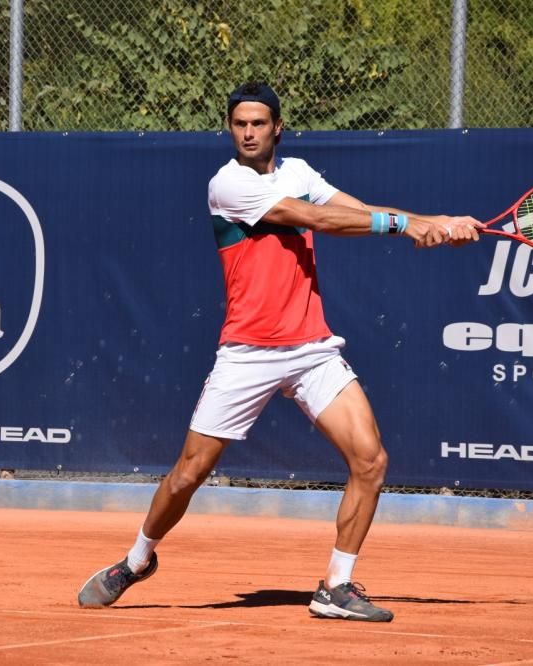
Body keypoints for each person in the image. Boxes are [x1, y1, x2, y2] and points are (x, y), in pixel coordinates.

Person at [78, 82, 481, 622]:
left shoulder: (300, 172)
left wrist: (435, 224)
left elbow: (355, 211)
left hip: (312, 348)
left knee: (371, 459)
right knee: (189, 473)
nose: (248, 132)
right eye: (239, 124)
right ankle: (135, 560)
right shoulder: (228, 184)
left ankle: (336, 586)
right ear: (231, 128)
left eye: (258, 124)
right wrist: (410, 225)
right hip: (248, 352)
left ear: (277, 128)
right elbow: (315, 219)